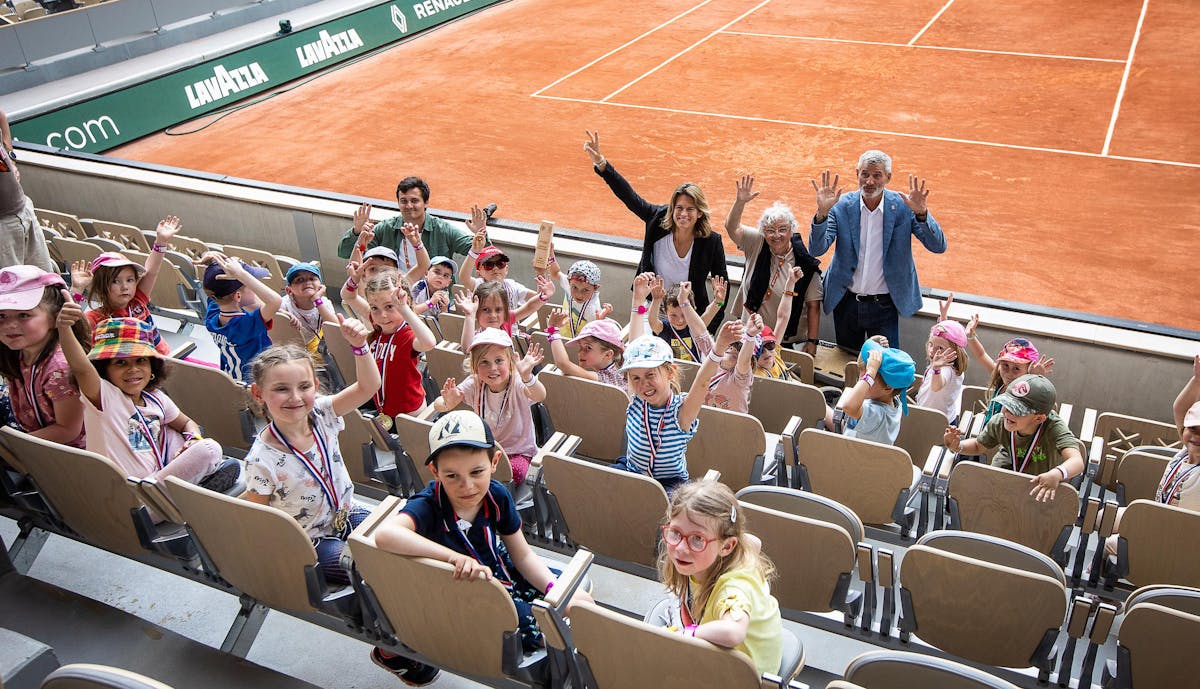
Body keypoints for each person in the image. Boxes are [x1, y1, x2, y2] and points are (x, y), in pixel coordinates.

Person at [372, 410, 592, 685]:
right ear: (434, 471)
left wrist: (553, 591)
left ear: (494, 461)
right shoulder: (428, 504)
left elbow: (522, 555)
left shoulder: (497, 495)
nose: (467, 486)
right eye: (451, 476)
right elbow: (386, 534)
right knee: (544, 631)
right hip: (464, 595)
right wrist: (452, 558)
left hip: (497, 573)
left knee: (572, 599)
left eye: (477, 472)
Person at [243, 333, 381, 586]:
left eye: (304, 387)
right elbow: (260, 518)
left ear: (316, 386)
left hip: (346, 512)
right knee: (364, 570)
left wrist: (361, 346)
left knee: (394, 542)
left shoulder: (322, 412)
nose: (295, 397)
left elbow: (368, 386)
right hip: (311, 538)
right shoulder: (261, 460)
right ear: (258, 393)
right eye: (281, 389)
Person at [55, 310, 234, 491]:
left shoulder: (155, 398)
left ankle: (194, 485)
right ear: (103, 370)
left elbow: (186, 422)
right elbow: (82, 369)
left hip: (158, 478)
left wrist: (193, 438)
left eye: (141, 360)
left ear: (152, 366)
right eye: (120, 363)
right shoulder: (105, 397)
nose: (133, 369)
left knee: (173, 433)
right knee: (210, 449)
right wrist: (64, 329)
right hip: (134, 498)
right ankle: (197, 484)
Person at [584, 131, 728, 329]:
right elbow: (630, 197)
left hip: (688, 313)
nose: (683, 214)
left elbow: (723, 289)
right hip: (652, 307)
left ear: (700, 213)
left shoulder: (712, 242)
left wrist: (707, 330)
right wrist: (602, 164)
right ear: (672, 208)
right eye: (679, 208)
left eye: (690, 209)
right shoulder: (657, 219)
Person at [808, 151, 947, 350]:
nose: (870, 181)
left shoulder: (904, 207)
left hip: (884, 306)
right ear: (857, 174)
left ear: (888, 177)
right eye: (865, 174)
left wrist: (922, 213)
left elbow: (938, 246)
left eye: (877, 175)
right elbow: (816, 248)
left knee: (885, 367)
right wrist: (822, 213)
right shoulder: (840, 206)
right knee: (846, 364)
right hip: (846, 303)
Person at [654, 480, 782, 674]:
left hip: (744, 676)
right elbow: (754, 542)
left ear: (727, 546)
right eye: (676, 532)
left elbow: (733, 632)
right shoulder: (733, 551)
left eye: (697, 539)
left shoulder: (733, 588)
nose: (680, 548)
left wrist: (688, 634)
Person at [616, 322, 743, 492]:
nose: (643, 384)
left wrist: (720, 347)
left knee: (672, 510)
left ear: (670, 373)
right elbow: (635, 343)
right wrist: (638, 301)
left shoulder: (681, 411)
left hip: (669, 483)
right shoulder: (637, 400)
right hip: (632, 471)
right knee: (602, 486)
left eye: (650, 375)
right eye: (636, 378)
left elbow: (702, 382)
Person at [1105, 356, 1200, 557]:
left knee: (1113, 545)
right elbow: (1180, 409)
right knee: (1103, 517)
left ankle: (1103, 578)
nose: (1196, 436)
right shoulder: (1186, 450)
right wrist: (1197, 381)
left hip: (1181, 536)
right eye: (1193, 428)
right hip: (1159, 518)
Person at [943, 374, 1084, 502]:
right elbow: (978, 446)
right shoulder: (1000, 421)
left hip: (1039, 485)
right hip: (1004, 478)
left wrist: (1057, 474)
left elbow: (1077, 461)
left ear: (1039, 418)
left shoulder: (1053, 428)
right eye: (1006, 405)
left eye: (1016, 410)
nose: (1007, 412)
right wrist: (957, 446)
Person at [433, 328, 546, 485]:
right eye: (484, 362)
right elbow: (438, 405)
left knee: (512, 473)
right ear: (474, 366)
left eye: (499, 361)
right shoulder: (475, 383)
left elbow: (540, 395)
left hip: (519, 452)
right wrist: (447, 403)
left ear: (511, 361)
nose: (492, 368)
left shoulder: (517, 383)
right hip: (484, 450)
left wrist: (527, 376)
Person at [724, 175, 822, 354]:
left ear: (792, 230)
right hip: (749, 334)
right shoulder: (757, 243)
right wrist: (740, 202)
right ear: (763, 232)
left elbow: (814, 305)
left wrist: (813, 342)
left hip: (784, 342)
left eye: (782, 229)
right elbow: (732, 228)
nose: (776, 235)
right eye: (770, 230)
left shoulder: (804, 262)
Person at [0, 266, 88, 448]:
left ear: (56, 317)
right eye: (1, 316)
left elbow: (68, 429)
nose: (9, 325)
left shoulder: (59, 369)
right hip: (33, 434)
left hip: (63, 456)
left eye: (23, 315)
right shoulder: (18, 349)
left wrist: (11, 445)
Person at [70, 216, 184, 355]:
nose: (125, 287)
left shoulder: (137, 301)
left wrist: (161, 241)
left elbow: (152, 271)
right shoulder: (94, 318)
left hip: (165, 360)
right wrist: (76, 290)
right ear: (100, 287)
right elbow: (69, 328)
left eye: (130, 280)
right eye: (115, 281)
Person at [336, 177, 474, 267]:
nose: (408, 206)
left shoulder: (442, 229)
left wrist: (480, 233)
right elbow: (344, 253)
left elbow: (479, 250)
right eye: (403, 201)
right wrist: (357, 232)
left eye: (414, 201)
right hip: (392, 294)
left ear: (426, 202)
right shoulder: (386, 228)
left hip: (434, 298)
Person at [361, 272, 438, 421]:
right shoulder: (379, 328)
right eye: (374, 308)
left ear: (406, 302)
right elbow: (348, 296)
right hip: (385, 410)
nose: (382, 315)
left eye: (390, 306)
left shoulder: (407, 335)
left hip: (411, 414)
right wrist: (355, 279)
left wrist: (403, 308)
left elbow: (430, 343)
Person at [202, 254, 282, 384]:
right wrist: (241, 274)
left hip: (232, 379)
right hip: (255, 383)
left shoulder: (212, 316)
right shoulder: (245, 326)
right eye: (250, 284)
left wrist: (211, 263)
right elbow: (275, 301)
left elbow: (214, 287)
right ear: (237, 296)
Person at [965, 312, 1054, 424]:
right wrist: (970, 336)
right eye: (1005, 365)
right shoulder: (1000, 378)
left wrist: (1034, 377)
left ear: (1028, 371)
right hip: (987, 436)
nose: (1009, 372)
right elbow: (981, 355)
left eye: (1016, 368)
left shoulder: (1027, 393)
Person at [825, 337, 916, 446]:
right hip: (855, 432)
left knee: (817, 404)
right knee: (826, 408)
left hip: (850, 454)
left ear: (887, 388)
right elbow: (861, 363)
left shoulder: (876, 415)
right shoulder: (894, 400)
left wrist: (871, 372)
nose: (861, 379)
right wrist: (872, 342)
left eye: (867, 378)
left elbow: (848, 407)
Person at [0, 114, 53, 273]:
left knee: (47, 283)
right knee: (16, 290)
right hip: (3, 228)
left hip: (23, 210)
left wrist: (10, 157)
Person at [545, 313, 626, 393]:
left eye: (588, 348)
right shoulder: (619, 367)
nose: (580, 353)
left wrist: (553, 330)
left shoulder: (606, 377)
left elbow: (563, 364)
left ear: (608, 354)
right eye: (580, 346)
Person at [277, 262, 338, 360]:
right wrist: (283, 314)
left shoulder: (324, 302)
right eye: (299, 280)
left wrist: (317, 300)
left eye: (312, 278)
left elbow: (336, 327)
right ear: (289, 290)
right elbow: (269, 312)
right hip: (292, 350)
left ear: (321, 286)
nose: (307, 282)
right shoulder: (284, 304)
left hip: (317, 343)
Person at [914, 320, 969, 423]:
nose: (932, 351)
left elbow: (936, 387)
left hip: (937, 423)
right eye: (931, 344)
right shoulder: (941, 363)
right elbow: (945, 339)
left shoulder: (946, 369)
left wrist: (936, 370)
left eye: (939, 348)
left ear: (955, 351)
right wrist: (943, 319)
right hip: (933, 416)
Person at [547, 257, 612, 338]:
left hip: (581, 344)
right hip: (561, 334)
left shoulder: (593, 309)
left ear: (595, 288)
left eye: (585, 290)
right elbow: (555, 272)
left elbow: (595, 335)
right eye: (574, 288)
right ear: (569, 282)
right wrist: (550, 254)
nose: (579, 294)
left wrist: (601, 319)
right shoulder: (569, 284)